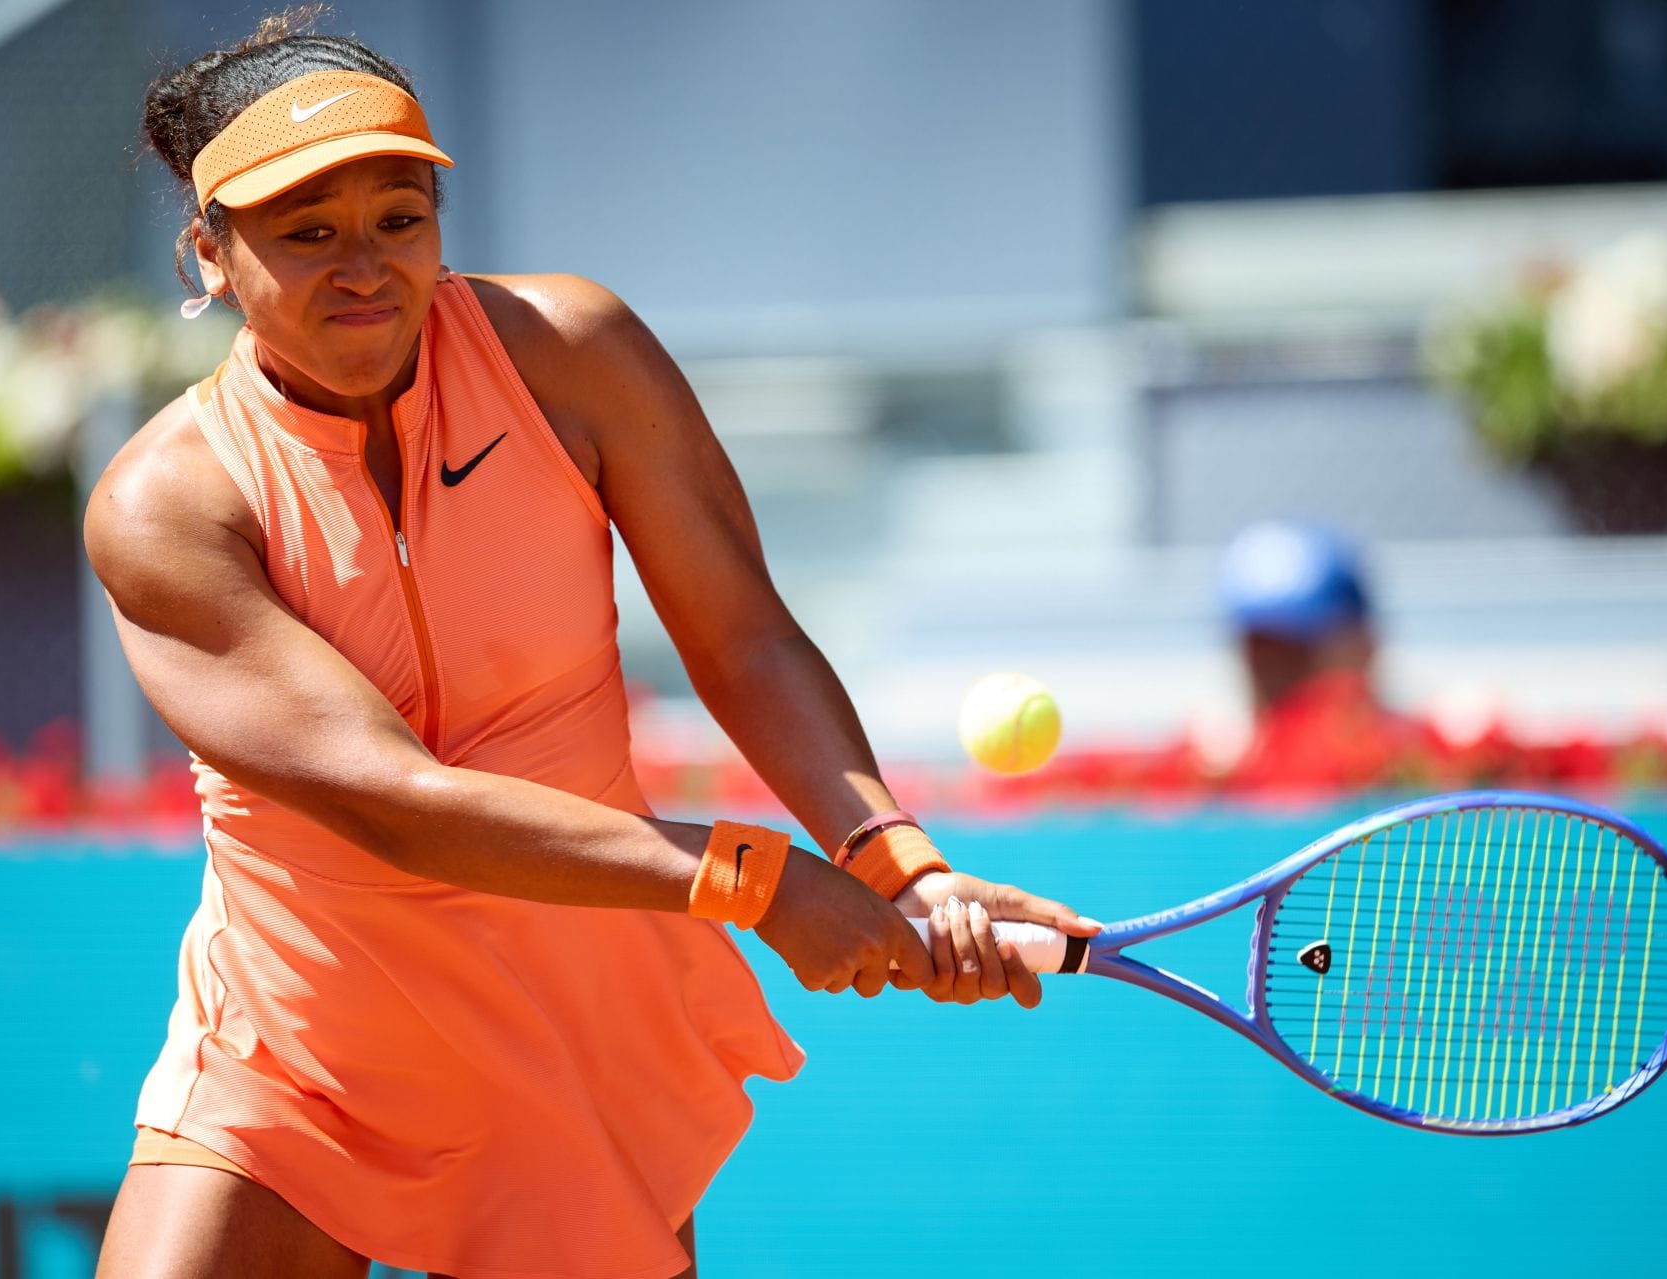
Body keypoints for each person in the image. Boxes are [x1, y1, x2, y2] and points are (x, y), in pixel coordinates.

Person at [87, 15, 1098, 1279]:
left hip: (573, 1026)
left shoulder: (571, 352)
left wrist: (901, 865)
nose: (365, 266)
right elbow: (398, 800)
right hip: (302, 1047)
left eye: (400, 218)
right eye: (306, 232)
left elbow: (747, 640)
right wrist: (760, 880)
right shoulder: (165, 506)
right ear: (211, 254)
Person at [1214, 519, 1443, 793]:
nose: (1276, 669)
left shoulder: (1427, 758)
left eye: (1299, 651)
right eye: (1261, 649)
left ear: (1364, 644)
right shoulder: (1212, 767)